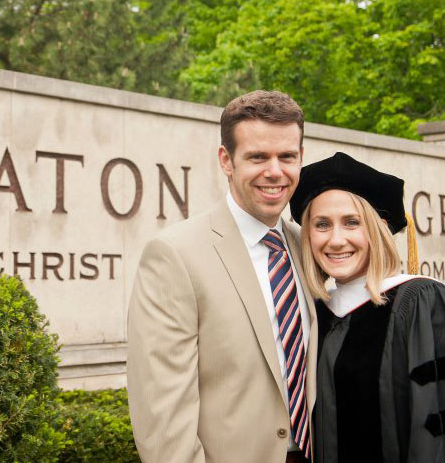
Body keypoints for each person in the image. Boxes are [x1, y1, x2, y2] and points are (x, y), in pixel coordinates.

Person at [290, 152, 445, 463]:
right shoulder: (316, 315)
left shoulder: (422, 303)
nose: (336, 239)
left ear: (378, 229)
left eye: (352, 222)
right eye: (322, 225)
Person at [127, 90, 317, 463]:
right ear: (226, 161)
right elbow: (162, 420)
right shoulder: (174, 256)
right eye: (258, 157)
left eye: (287, 157)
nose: (275, 172)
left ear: (301, 159)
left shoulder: (308, 246)